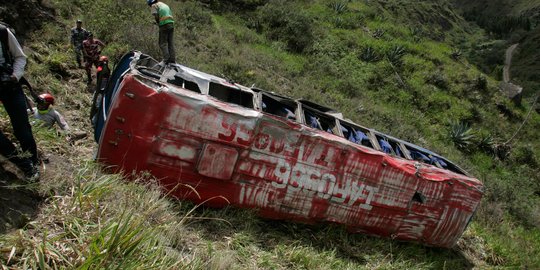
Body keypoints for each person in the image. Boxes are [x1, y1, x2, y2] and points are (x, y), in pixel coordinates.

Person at [0, 24, 39, 180]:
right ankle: (24, 164)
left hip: (10, 84)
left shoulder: (2, 32)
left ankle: (33, 162)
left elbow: (20, 57)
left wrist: (15, 76)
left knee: (22, 128)